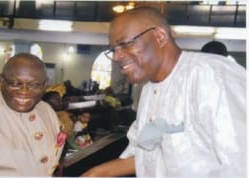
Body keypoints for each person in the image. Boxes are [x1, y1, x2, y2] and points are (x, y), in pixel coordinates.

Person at [82, 6, 246, 177]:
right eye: (113, 50)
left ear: (159, 37)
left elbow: (241, 163)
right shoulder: (150, 90)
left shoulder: (210, 76)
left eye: (125, 44)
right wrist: (96, 173)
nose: (116, 57)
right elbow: (146, 152)